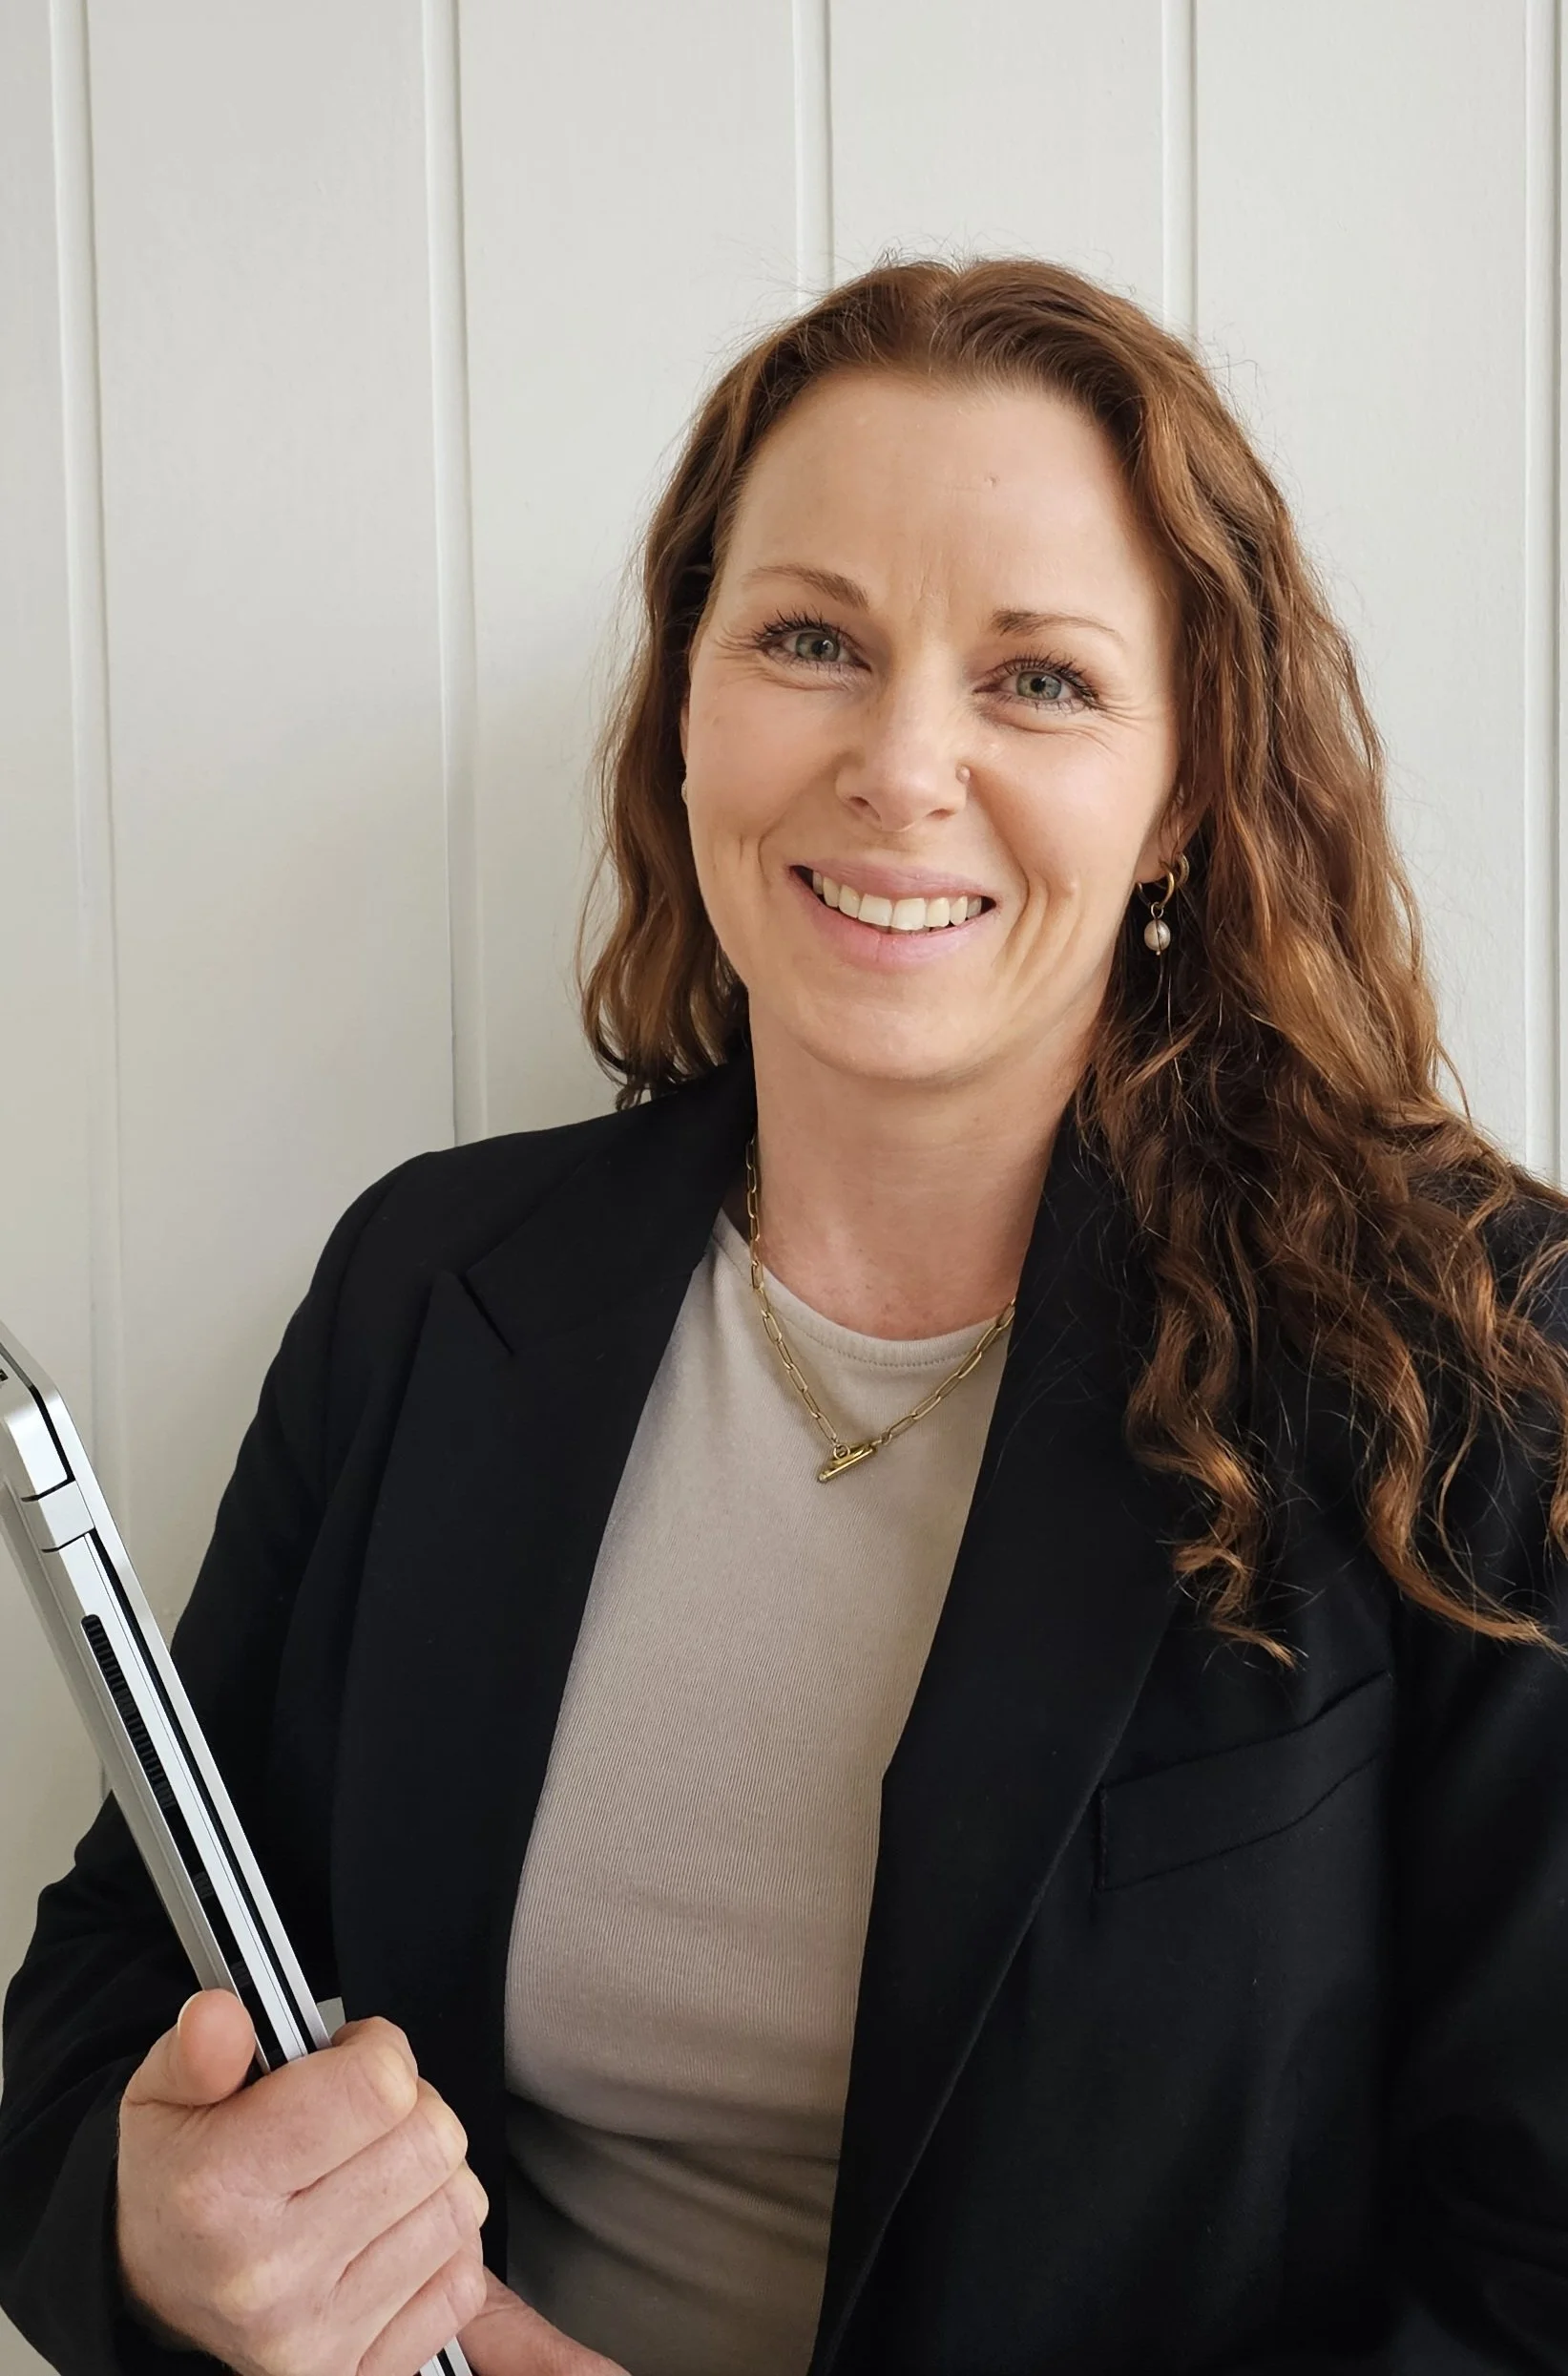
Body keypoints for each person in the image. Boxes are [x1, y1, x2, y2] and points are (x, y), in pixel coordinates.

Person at [3, 253, 1568, 2376]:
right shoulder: (422, 1286)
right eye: (811, 640)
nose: (899, 765)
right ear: (685, 705)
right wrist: (158, 2221)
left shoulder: (1473, 1354)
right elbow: (114, 1964)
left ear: (1182, 790)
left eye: (1035, 680)